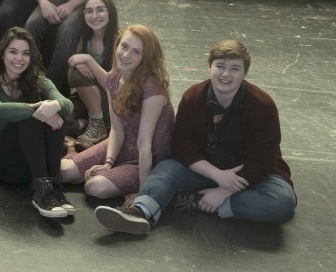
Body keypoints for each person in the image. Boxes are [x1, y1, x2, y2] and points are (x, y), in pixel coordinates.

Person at [95, 40, 297, 235]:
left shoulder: (262, 105)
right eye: (220, 66)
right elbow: (182, 146)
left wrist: (224, 192)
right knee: (166, 170)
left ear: (245, 73)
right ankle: (139, 212)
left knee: (282, 201)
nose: (226, 74)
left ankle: (202, 202)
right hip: (207, 169)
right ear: (209, 66)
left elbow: (262, 160)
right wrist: (217, 175)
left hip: (249, 176)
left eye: (235, 68)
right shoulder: (193, 97)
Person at [60, 24, 174, 201]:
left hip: (148, 159)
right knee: (63, 173)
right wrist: (108, 162)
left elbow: (145, 144)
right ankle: (85, 156)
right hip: (123, 145)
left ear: (145, 58)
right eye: (124, 46)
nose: (126, 55)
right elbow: (116, 129)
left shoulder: (153, 88)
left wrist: (143, 192)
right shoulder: (113, 78)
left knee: (94, 186)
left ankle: (131, 178)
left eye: (136, 52)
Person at [0, 27, 74, 218]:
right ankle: (42, 192)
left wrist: (54, 105)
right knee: (30, 117)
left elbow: (67, 105)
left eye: (25, 53)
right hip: (3, 163)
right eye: (13, 52)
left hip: (31, 165)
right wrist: (36, 109)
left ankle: (53, 186)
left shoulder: (39, 81)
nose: (19, 58)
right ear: (2, 54)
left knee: (57, 114)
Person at [64, 0, 120, 149]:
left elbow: (114, 87)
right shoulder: (84, 38)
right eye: (89, 11)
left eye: (100, 10)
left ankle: (98, 124)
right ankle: (91, 124)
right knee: (59, 118)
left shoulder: (120, 42)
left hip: (112, 101)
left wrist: (88, 60)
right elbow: (71, 81)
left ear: (110, 12)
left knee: (80, 70)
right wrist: (75, 64)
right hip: (86, 100)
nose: (94, 16)